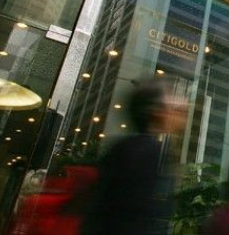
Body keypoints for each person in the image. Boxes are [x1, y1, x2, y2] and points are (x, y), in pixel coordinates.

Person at [80, 79, 187, 234]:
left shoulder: (125, 147)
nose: (180, 104)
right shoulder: (148, 152)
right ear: (157, 111)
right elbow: (136, 217)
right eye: (171, 98)